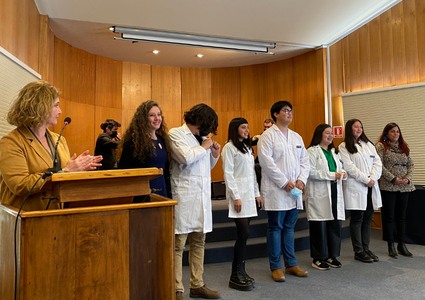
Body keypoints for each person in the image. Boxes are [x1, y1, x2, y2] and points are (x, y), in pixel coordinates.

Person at [0, 80, 102, 211]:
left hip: (56, 215)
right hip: (26, 220)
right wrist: (65, 172)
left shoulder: (59, 139)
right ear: (40, 108)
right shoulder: (11, 142)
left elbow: (64, 178)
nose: (60, 111)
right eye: (56, 105)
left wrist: (79, 168)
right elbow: (20, 185)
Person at [169, 103, 221, 300]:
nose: (210, 132)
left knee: (199, 241)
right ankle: (176, 288)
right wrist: (205, 146)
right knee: (178, 244)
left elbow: (204, 167)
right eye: (209, 125)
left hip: (200, 197)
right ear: (199, 121)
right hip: (184, 196)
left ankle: (197, 284)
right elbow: (185, 157)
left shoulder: (203, 140)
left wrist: (214, 155)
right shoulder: (175, 134)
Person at [257, 101, 310, 282]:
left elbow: (305, 161)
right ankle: (275, 267)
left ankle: (291, 264)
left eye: (291, 111)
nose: (289, 114)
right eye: (285, 111)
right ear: (275, 114)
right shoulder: (268, 136)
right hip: (277, 190)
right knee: (276, 228)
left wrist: (301, 180)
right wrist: (284, 182)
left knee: (289, 228)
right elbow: (266, 162)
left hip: (295, 190)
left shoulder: (297, 137)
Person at [222, 118, 263, 291]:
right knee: (243, 232)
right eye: (243, 127)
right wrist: (236, 196)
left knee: (245, 235)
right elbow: (228, 174)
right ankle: (234, 273)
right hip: (238, 195)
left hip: (249, 194)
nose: (247, 130)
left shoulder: (247, 148)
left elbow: (252, 173)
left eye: (247, 127)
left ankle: (241, 271)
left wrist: (257, 194)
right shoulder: (228, 147)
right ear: (234, 129)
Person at [339, 119, 382, 263]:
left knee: (368, 219)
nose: (359, 129)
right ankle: (358, 250)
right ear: (349, 129)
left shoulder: (368, 145)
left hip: (370, 186)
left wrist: (372, 178)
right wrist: (366, 179)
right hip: (357, 186)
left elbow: (377, 163)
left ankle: (366, 248)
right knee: (357, 219)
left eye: (361, 127)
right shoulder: (344, 146)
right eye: (356, 126)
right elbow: (349, 167)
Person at [306, 124, 347, 270]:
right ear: (319, 135)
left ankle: (332, 255)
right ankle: (318, 257)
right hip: (320, 193)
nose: (330, 136)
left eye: (331, 133)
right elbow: (310, 172)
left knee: (334, 224)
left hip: (335, 190)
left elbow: (338, 167)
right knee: (320, 225)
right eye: (327, 133)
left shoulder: (334, 152)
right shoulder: (312, 151)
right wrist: (331, 175)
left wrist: (342, 173)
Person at [376, 123, 415, 258]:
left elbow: (411, 164)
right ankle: (390, 245)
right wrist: (394, 179)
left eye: (397, 131)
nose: (396, 134)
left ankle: (401, 244)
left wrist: (407, 179)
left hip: (405, 186)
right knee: (389, 217)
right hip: (389, 186)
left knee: (401, 217)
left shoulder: (403, 147)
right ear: (386, 133)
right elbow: (379, 166)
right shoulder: (381, 146)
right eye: (392, 131)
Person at [118, 100, 170, 199]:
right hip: (143, 194)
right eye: (152, 115)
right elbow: (124, 170)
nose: (157, 118)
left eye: (159, 115)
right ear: (143, 119)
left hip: (162, 190)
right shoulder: (133, 141)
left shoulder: (162, 140)